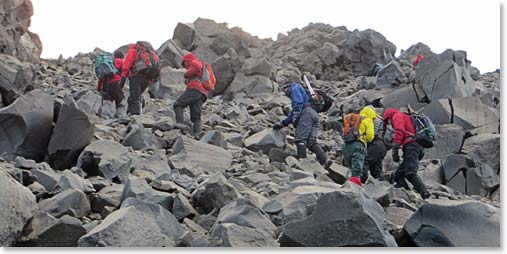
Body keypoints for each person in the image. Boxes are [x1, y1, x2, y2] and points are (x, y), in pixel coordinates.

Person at [273, 82, 330, 167]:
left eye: (284, 91)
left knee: (300, 139)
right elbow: (293, 113)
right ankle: (325, 160)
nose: (285, 93)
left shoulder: (295, 87)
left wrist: (296, 114)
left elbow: (298, 102)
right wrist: (283, 123)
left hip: (306, 114)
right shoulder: (306, 98)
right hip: (314, 115)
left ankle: (302, 162)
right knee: (311, 141)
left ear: (286, 87)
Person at [383, 108, 431, 199]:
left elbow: (399, 131)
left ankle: (425, 193)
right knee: (398, 175)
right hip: (417, 147)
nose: (389, 123)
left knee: (410, 172)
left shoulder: (397, 116)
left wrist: (395, 148)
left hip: (412, 147)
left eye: (387, 121)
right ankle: (408, 195)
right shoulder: (405, 116)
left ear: (388, 116)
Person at [173, 53, 208, 138]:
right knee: (196, 115)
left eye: (184, 64)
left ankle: (180, 126)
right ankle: (197, 133)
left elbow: (196, 68)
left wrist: (186, 74)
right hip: (202, 92)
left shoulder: (193, 62)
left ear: (186, 61)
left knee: (178, 104)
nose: (185, 66)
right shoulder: (201, 64)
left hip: (194, 89)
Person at [122, 41, 160, 116]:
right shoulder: (151, 53)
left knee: (135, 97)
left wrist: (123, 79)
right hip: (147, 79)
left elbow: (126, 66)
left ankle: (135, 115)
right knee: (135, 95)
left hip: (137, 77)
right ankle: (130, 113)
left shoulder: (133, 51)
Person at [342, 106, 376, 187]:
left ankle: (349, 182)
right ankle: (355, 184)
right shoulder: (368, 120)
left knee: (351, 166)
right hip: (358, 144)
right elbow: (370, 136)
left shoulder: (354, 120)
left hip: (346, 145)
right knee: (357, 167)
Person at [97, 50, 126, 119]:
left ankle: (105, 116)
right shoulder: (121, 61)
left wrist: (99, 88)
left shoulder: (106, 63)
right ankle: (120, 116)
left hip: (105, 84)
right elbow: (125, 71)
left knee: (107, 101)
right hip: (115, 83)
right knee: (120, 100)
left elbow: (101, 77)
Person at [361, 116, 387, 183]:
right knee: (375, 169)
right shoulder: (379, 120)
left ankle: (361, 180)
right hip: (382, 145)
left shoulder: (368, 119)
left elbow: (370, 135)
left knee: (365, 160)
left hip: (375, 145)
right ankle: (383, 186)